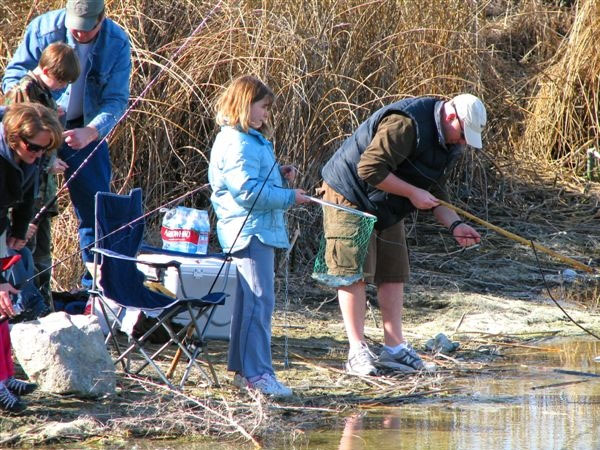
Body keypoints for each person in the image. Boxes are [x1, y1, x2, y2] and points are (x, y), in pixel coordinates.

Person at [317, 94, 486, 376]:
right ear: (450, 117)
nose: (463, 142)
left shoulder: (449, 142)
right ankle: (356, 351)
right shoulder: (406, 123)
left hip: (386, 202)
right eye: (462, 134)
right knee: (352, 272)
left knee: (394, 271)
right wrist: (411, 193)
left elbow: (434, 190)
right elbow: (369, 168)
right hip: (349, 194)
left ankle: (394, 349)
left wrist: (455, 225)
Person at [2, 0, 132, 289]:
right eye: (74, 28)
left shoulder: (118, 42)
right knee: (30, 205)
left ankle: (95, 287)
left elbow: (116, 100)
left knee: (95, 209)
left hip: (83, 132)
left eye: (87, 30)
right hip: (36, 131)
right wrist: (41, 119)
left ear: (102, 20)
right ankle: (21, 285)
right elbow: (12, 79)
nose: (80, 35)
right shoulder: (43, 28)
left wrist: (92, 131)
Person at [208, 75, 309, 397]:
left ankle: (242, 370)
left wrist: (279, 175)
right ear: (245, 104)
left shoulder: (248, 139)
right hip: (249, 231)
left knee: (251, 303)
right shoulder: (237, 141)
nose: (267, 114)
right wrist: (291, 196)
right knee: (259, 303)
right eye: (263, 107)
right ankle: (258, 375)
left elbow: (251, 181)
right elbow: (248, 193)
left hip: (253, 230)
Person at [4, 42, 80, 306]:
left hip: (40, 193)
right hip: (23, 197)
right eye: (60, 80)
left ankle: (40, 306)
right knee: (23, 251)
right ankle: (22, 306)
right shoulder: (23, 91)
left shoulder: (47, 95)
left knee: (38, 255)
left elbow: (37, 152)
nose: (61, 87)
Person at [0, 103, 63, 413]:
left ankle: (5, 374)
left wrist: (20, 229)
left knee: (4, 307)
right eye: (34, 147)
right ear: (14, 138)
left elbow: (28, 192)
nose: (39, 154)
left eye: (45, 149)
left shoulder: (31, 157)